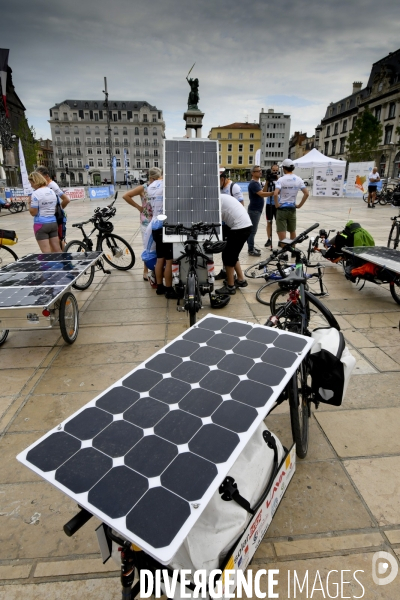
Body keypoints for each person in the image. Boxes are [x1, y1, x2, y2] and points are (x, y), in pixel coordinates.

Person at [147, 167, 177, 299]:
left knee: (160, 259)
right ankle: (169, 289)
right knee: (169, 260)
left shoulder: (151, 186)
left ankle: (160, 287)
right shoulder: (169, 186)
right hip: (167, 225)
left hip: (155, 225)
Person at [215, 193, 252, 296]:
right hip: (245, 226)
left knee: (227, 255)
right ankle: (241, 280)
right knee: (233, 254)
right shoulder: (221, 197)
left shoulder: (216, 200)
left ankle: (230, 287)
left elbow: (214, 220)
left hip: (240, 228)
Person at [273, 159, 309, 253]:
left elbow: (276, 193)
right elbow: (306, 193)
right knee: (292, 230)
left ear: (284, 168)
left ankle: (284, 251)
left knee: (281, 231)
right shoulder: (298, 179)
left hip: (282, 209)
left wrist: (277, 204)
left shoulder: (281, 179)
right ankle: (293, 249)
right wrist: (299, 205)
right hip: (292, 208)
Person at [123, 182, 153, 279]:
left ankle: (155, 268)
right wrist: (138, 207)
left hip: (158, 220)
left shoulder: (161, 186)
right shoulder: (143, 188)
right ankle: (145, 270)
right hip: (146, 221)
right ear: (151, 178)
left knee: (158, 247)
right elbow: (126, 196)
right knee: (146, 246)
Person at [36, 166, 70, 249]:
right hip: (48, 219)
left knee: (58, 241)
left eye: (40, 177)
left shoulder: (52, 186)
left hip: (56, 218)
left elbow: (66, 199)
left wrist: (57, 210)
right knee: (53, 243)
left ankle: (63, 259)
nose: (38, 179)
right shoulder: (44, 186)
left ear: (47, 176)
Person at [28, 172, 60, 253]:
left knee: (46, 253)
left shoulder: (35, 194)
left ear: (35, 181)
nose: (31, 185)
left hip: (41, 224)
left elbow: (33, 213)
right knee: (57, 250)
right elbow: (55, 208)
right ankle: (62, 265)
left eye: (31, 183)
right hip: (53, 223)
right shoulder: (51, 191)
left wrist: (29, 203)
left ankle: (48, 266)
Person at [247, 165, 272, 256]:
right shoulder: (253, 183)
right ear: (253, 173)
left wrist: (267, 182)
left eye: (261, 171)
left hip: (256, 210)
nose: (260, 172)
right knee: (252, 231)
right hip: (254, 210)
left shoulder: (257, 183)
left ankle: (251, 247)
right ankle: (250, 249)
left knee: (253, 230)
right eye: (258, 171)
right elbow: (262, 194)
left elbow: (263, 190)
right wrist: (273, 193)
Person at [263, 164, 280, 248]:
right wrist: (267, 181)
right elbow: (264, 191)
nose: (275, 172)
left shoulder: (280, 180)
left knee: (279, 223)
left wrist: (277, 179)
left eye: (276, 171)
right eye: (273, 170)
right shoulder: (268, 180)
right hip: (269, 204)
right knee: (269, 222)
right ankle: (269, 239)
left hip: (277, 204)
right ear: (271, 170)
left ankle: (281, 240)